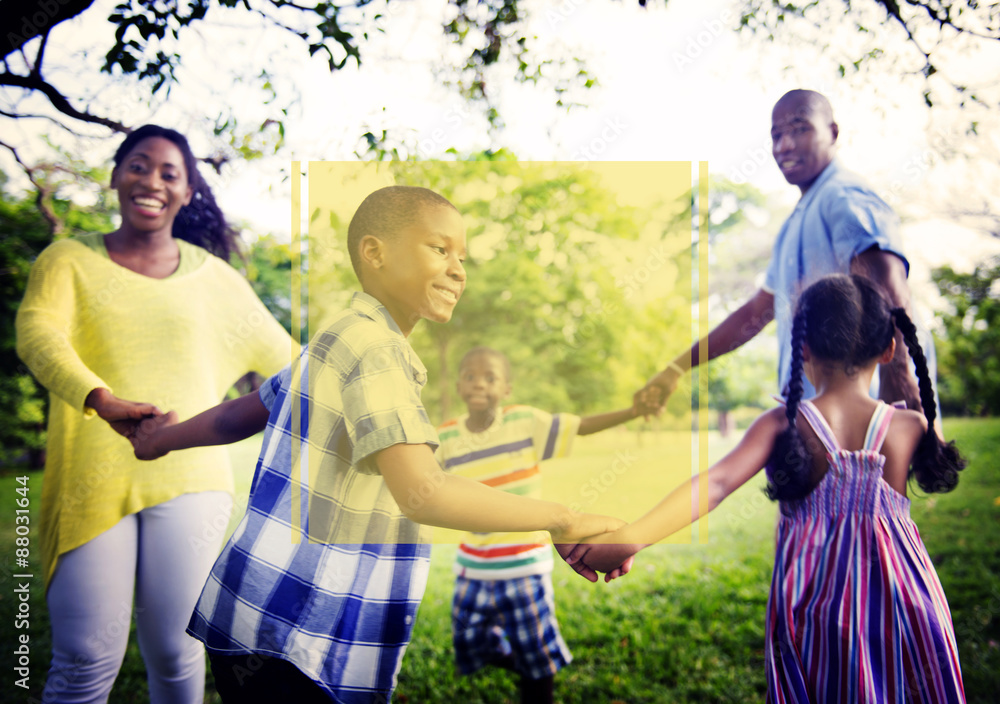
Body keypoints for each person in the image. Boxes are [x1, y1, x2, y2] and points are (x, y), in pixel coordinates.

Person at [128, 185, 626, 704]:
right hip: (298, 631)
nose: (459, 270)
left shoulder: (337, 337)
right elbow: (424, 491)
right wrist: (560, 519)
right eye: (440, 249)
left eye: (463, 257)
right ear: (375, 252)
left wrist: (159, 440)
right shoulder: (376, 350)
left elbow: (240, 412)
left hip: (251, 605)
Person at [568, 273, 967, 702]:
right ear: (889, 348)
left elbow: (716, 484)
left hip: (816, 609)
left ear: (803, 347)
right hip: (905, 601)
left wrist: (632, 537)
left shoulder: (783, 423)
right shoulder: (910, 426)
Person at [14, 125, 296, 702]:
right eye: (138, 166)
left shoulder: (216, 279)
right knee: (85, 659)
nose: (152, 182)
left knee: (176, 652)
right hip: (89, 482)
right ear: (117, 175)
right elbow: (37, 332)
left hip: (192, 483)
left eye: (170, 173)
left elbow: (289, 369)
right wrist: (100, 398)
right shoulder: (67, 259)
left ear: (188, 191)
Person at [639, 89, 939, 424]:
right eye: (777, 135)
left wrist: (899, 378)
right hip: (815, 420)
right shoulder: (794, 223)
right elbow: (756, 312)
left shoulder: (844, 196)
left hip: (864, 421)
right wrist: (677, 368)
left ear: (833, 133)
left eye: (800, 129)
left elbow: (889, 285)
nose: (785, 145)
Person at [436, 345, 643, 704]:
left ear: (506, 389)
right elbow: (417, 478)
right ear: (458, 385)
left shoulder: (523, 422)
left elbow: (580, 426)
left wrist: (633, 411)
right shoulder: (447, 438)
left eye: (490, 377)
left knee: (536, 657)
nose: (479, 383)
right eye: (469, 376)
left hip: (523, 566)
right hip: (472, 566)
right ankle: (526, 668)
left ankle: (536, 683)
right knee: (471, 644)